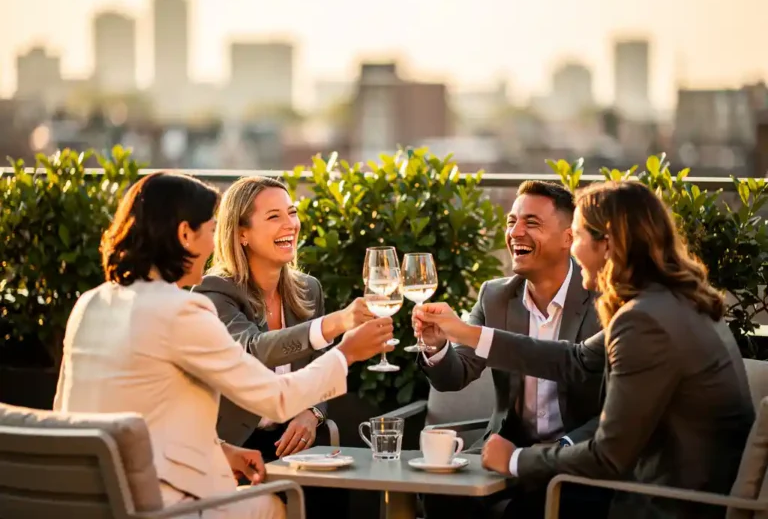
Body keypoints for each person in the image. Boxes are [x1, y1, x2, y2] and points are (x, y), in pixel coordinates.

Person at [54, 172, 394, 519]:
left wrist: (219, 451)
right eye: (212, 228)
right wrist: (346, 352)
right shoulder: (184, 309)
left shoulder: (90, 303)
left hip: (90, 495)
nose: (216, 241)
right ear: (185, 234)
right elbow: (276, 398)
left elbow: (107, 413)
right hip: (162, 503)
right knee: (279, 506)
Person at [414, 180, 755, 519]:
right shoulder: (672, 302)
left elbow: (608, 456)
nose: (574, 251)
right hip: (683, 491)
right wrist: (467, 333)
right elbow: (575, 360)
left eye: (577, 236)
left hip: (662, 502)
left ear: (607, 244)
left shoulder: (644, 320)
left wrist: (515, 459)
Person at [418, 181, 604, 518]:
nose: (515, 232)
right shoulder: (495, 296)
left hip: (574, 454)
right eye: (511, 221)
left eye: (531, 223)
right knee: (439, 495)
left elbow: (614, 411)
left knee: (530, 510)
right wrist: (437, 346)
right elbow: (454, 376)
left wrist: (562, 450)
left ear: (569, 238)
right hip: (505, 445)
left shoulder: (603, 302)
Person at [194, 175, 373, 458]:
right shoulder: (215, 291)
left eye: (292, 212)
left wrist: (312, 412)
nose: (290, 224)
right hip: (234, 446)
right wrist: (337, 323)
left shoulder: (308, 289)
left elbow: (322, 367)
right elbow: (254, 349)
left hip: (294, 440)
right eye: (274, 216)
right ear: (242, 233)